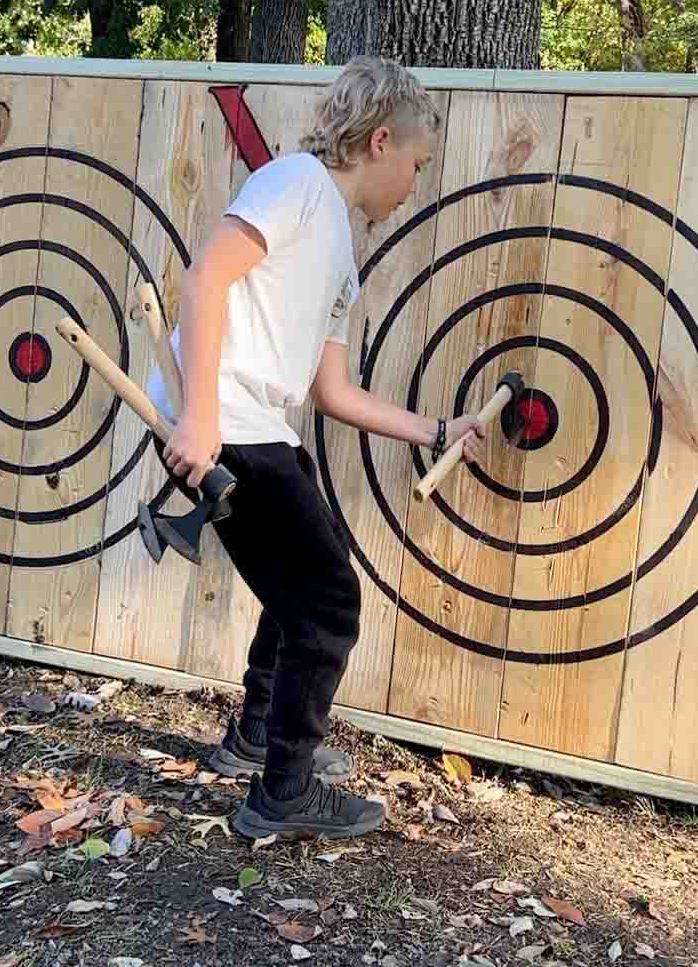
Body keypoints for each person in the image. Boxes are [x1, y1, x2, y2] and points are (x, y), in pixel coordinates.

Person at [148, 56, 486, 839]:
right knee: (330, 603)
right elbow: (206, 280)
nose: (415, 182)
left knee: (305, 584)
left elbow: (334, 394)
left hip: (260, 426)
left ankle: (260, 736)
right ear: (378, 143)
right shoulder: (296, 181)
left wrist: (439, 429)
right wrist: (199, 418)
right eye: (416, 163)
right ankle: (282, 794)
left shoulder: (340, 248)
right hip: (226, 421)